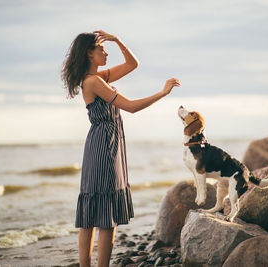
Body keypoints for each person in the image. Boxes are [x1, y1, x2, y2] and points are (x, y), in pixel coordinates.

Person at [61, 29, 180, 267]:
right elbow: (132, 107)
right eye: (101, 48)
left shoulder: (96, 78)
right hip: (105, 145)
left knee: (91, 208)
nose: (106, 52)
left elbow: (132, 64)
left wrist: (117, 40)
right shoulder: (95, 81)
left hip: (101, 142)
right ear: (89, 53)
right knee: (105, 215)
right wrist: (163, 93)